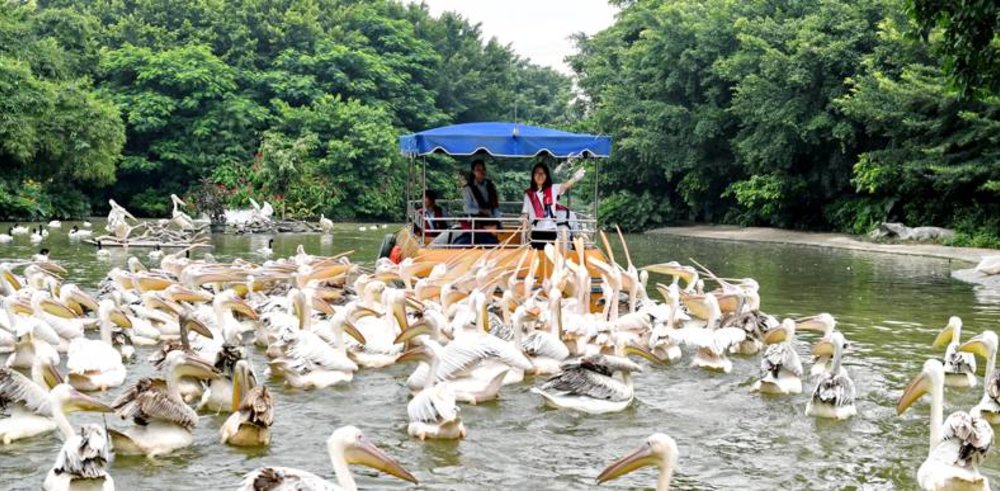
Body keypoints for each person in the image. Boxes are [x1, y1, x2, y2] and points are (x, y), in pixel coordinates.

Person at [522, 161, 585, 249]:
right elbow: (525, 215)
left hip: (551, 231)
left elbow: (566, 185)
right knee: (537, 257)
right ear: (533, 175)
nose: (540, 175)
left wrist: (575, 178)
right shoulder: (528, 194)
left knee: (551, 258)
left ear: (546, 176)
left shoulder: (553, 189)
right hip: (536, 232)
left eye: (542, 173)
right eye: (537, 173)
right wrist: (523, 235)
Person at [456, 159, 501, 246]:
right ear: (473, 172)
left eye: (483, 169)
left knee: (493, 244)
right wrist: (481, 210)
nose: (481, 172)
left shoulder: (490, 186)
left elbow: (495, 208)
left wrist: (498, 223)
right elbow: (467, 209)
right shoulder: (468, 189)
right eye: (478, 170)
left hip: (490, 223)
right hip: (475, 225)